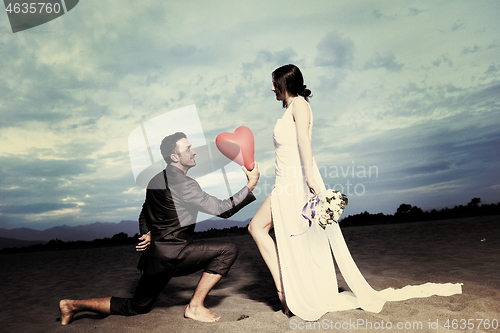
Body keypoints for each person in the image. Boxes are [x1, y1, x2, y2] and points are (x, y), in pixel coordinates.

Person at [248, 64, 461, 321]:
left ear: (285, 83)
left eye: (275, 83)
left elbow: (304, 141)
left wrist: (309, 179)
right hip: (283, 182)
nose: (271, 88)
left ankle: (288, 294)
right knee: (260, 229)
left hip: (296, 182)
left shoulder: (301, 105)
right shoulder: (288, 110)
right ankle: (287, 290)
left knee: (270, 231)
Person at [59, 132, 260, 324]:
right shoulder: (185, 184)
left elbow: (144, 213)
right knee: (228, 250)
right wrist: (250, 186)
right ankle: (195, 306)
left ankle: (72, 305)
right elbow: (222, 209)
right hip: (175, 255)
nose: (194, 151)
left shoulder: (154, 180)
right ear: (174, 156)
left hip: (155, 258)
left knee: (137, 306)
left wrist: (146, 232)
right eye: (188, 148)